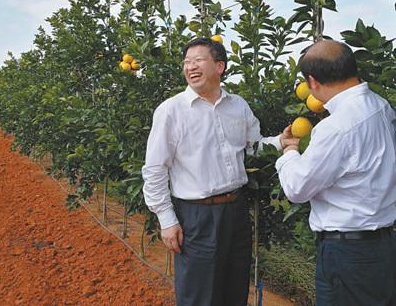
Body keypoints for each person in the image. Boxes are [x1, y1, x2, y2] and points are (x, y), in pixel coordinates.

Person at [142, 37, 292, 306]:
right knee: (200, 296)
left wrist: (280, 142)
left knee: (234, 290)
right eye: (187, 62)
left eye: (198, 60)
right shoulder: (171, 111)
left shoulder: (238, 106)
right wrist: (166, 218)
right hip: (197, 216)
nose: (190, 67)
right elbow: (155, 169)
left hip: (236, 210)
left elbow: (253, 148)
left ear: (219, 66)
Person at [276, 39, 396, 306]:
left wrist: (289, 153)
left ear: (312, 82)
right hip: (383, 245)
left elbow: (297, 188)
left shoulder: (336, 127)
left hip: (348, 254)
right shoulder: (381, 106)